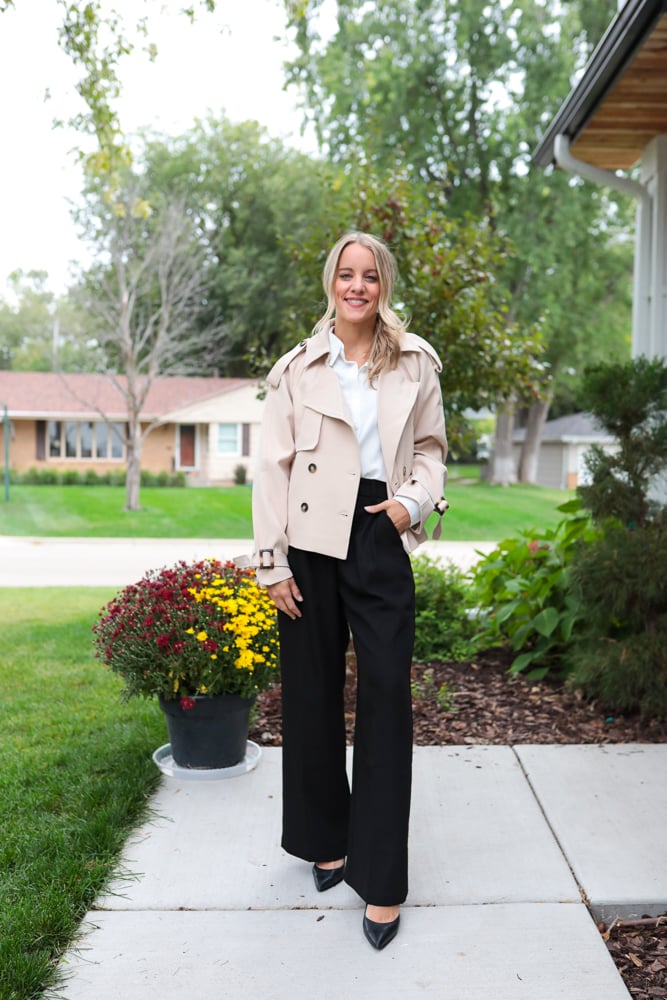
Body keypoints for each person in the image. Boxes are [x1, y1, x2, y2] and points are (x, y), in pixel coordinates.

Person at [250, 231, 448, 950]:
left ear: (382, 284)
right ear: (330, 282)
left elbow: (429, 449)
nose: (356, 286)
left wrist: (411, 505)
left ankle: (383, 881)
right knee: (309, 694)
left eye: (369, 275)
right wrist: (271, 563)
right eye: (345, 273)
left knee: (388, 696)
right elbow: (271, 468)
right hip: (306, 542)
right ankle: (324, 841)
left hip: (375, 531)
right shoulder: (298, 368)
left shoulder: (414, 361)